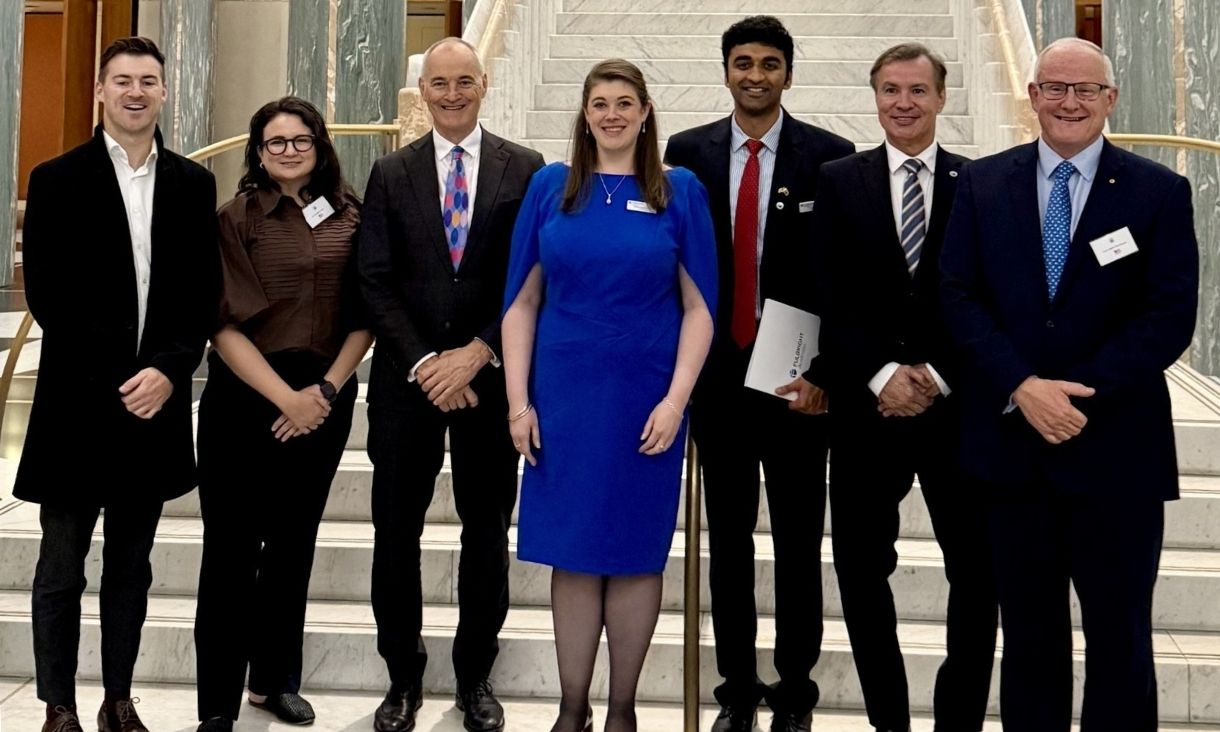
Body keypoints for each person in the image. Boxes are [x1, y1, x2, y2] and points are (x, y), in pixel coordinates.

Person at [940, 37, 1198, 731]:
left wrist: (1071, 391)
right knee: (1029, 640)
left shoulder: (1159, 192)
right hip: (1011, 454)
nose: (1069, 103)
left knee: (1119, 641)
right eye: (1055, 87)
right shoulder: (982, 185)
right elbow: (957, 297)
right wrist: (1023, 385)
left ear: (1111, 100)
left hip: (1116, 452)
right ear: (1032, 96)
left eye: (1085, 91)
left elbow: (1170, 315)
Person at [501, 57, 716, 732]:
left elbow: (700, 306)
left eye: (625, 102)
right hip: (563, 400)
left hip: (645, 401)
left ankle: (622, 710)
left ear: (646, 112)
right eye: (600, 103)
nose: (613, 114)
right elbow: (520, 303)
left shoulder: (679, 191)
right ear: (585, 113)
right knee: (573, 552)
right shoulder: (549, 187)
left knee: (631, 553)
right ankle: (572, 709)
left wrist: (677, 399)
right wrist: (518, 401)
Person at [17, 36, 219, 732]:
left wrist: (167, 369)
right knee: (61, 567)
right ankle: (59, 705)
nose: (137, 91)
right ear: (101, 91)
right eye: (123, 80)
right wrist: (125, 374)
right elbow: (48, 293)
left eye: (149, 80)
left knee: (132, 569)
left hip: (153, 409)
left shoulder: (194, 185)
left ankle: (119, 699)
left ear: (164, 92)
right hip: (77, 405)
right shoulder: (55, 178)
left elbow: (200, 293)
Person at [663, 16, 854, 732]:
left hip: (798, 383)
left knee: (800, 541)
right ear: (725, 71)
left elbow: (841, 281)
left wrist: (827, 373)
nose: (755, 74)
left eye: (769, 63)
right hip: (716, 381)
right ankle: (736, 691)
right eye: (742, 62)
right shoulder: (686, 156)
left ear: (788, 74)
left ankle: (796, 692)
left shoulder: (831, 158)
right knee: (730, 541)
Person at [357, 37, 545, 732]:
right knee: (395, 533)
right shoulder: (388, 172)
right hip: (409, 387)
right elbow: (373, 281)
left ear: (485, 83)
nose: (453, 93)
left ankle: (475, 677)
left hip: (491, 381)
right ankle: (401, 678)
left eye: (465, 81)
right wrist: (427, 364)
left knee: (486, 531)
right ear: (423, 90)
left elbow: (534, 276)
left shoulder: (527, 170)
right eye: (440, 83)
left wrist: (479, 353)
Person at [811, 43, 997, 732]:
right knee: (861, 574)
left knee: (978, 577)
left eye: (917, 90)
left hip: (959, 414)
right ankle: (888, 720)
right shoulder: (839, 180)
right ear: (875, 96)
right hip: (866, 413)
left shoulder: (979, 183)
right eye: (890, 89)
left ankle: (958, 722)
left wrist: (939, 375)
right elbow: (828, 290)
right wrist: (881, 375)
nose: (904, 102)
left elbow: (984, 295)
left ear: (942, 97)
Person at [192, 96, 374, 732]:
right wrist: (286, 399)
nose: (290, 151)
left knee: (293, 546)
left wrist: (322, 393)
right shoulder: (236, 217)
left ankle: (272, 682)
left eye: (301, 140)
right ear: (258, 152)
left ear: (321, 146)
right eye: (276, 143)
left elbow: (365, 316)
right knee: (231, 553)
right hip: (245, 398)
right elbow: (222, 324)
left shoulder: (354, 215)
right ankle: (216, 703)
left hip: (324, 394)